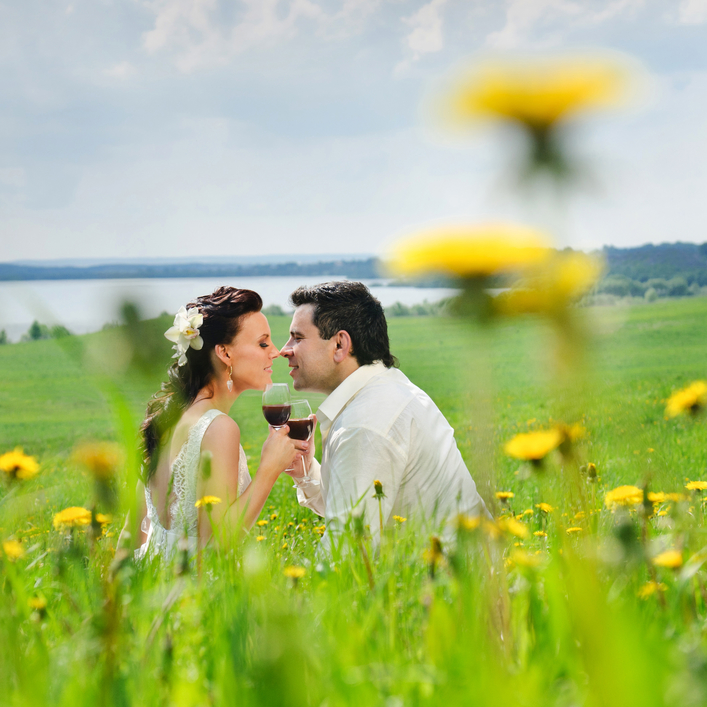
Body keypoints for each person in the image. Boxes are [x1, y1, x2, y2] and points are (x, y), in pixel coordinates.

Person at [280, 281, 489, 552]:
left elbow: (345, 552)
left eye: (297, 337)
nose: (284, 349)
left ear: (340, 344)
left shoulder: (365, 422)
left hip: (450, 586)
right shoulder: (384, 391)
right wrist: (305, 473)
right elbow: (357, 507)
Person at [134, 286, 306, 561]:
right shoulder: (218, 427)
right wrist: (269, 469)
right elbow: (217, 541)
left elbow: (130, 537)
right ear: (224, 353)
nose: (275, 352)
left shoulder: (166, 420)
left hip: (153, 585)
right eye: (263, 343)